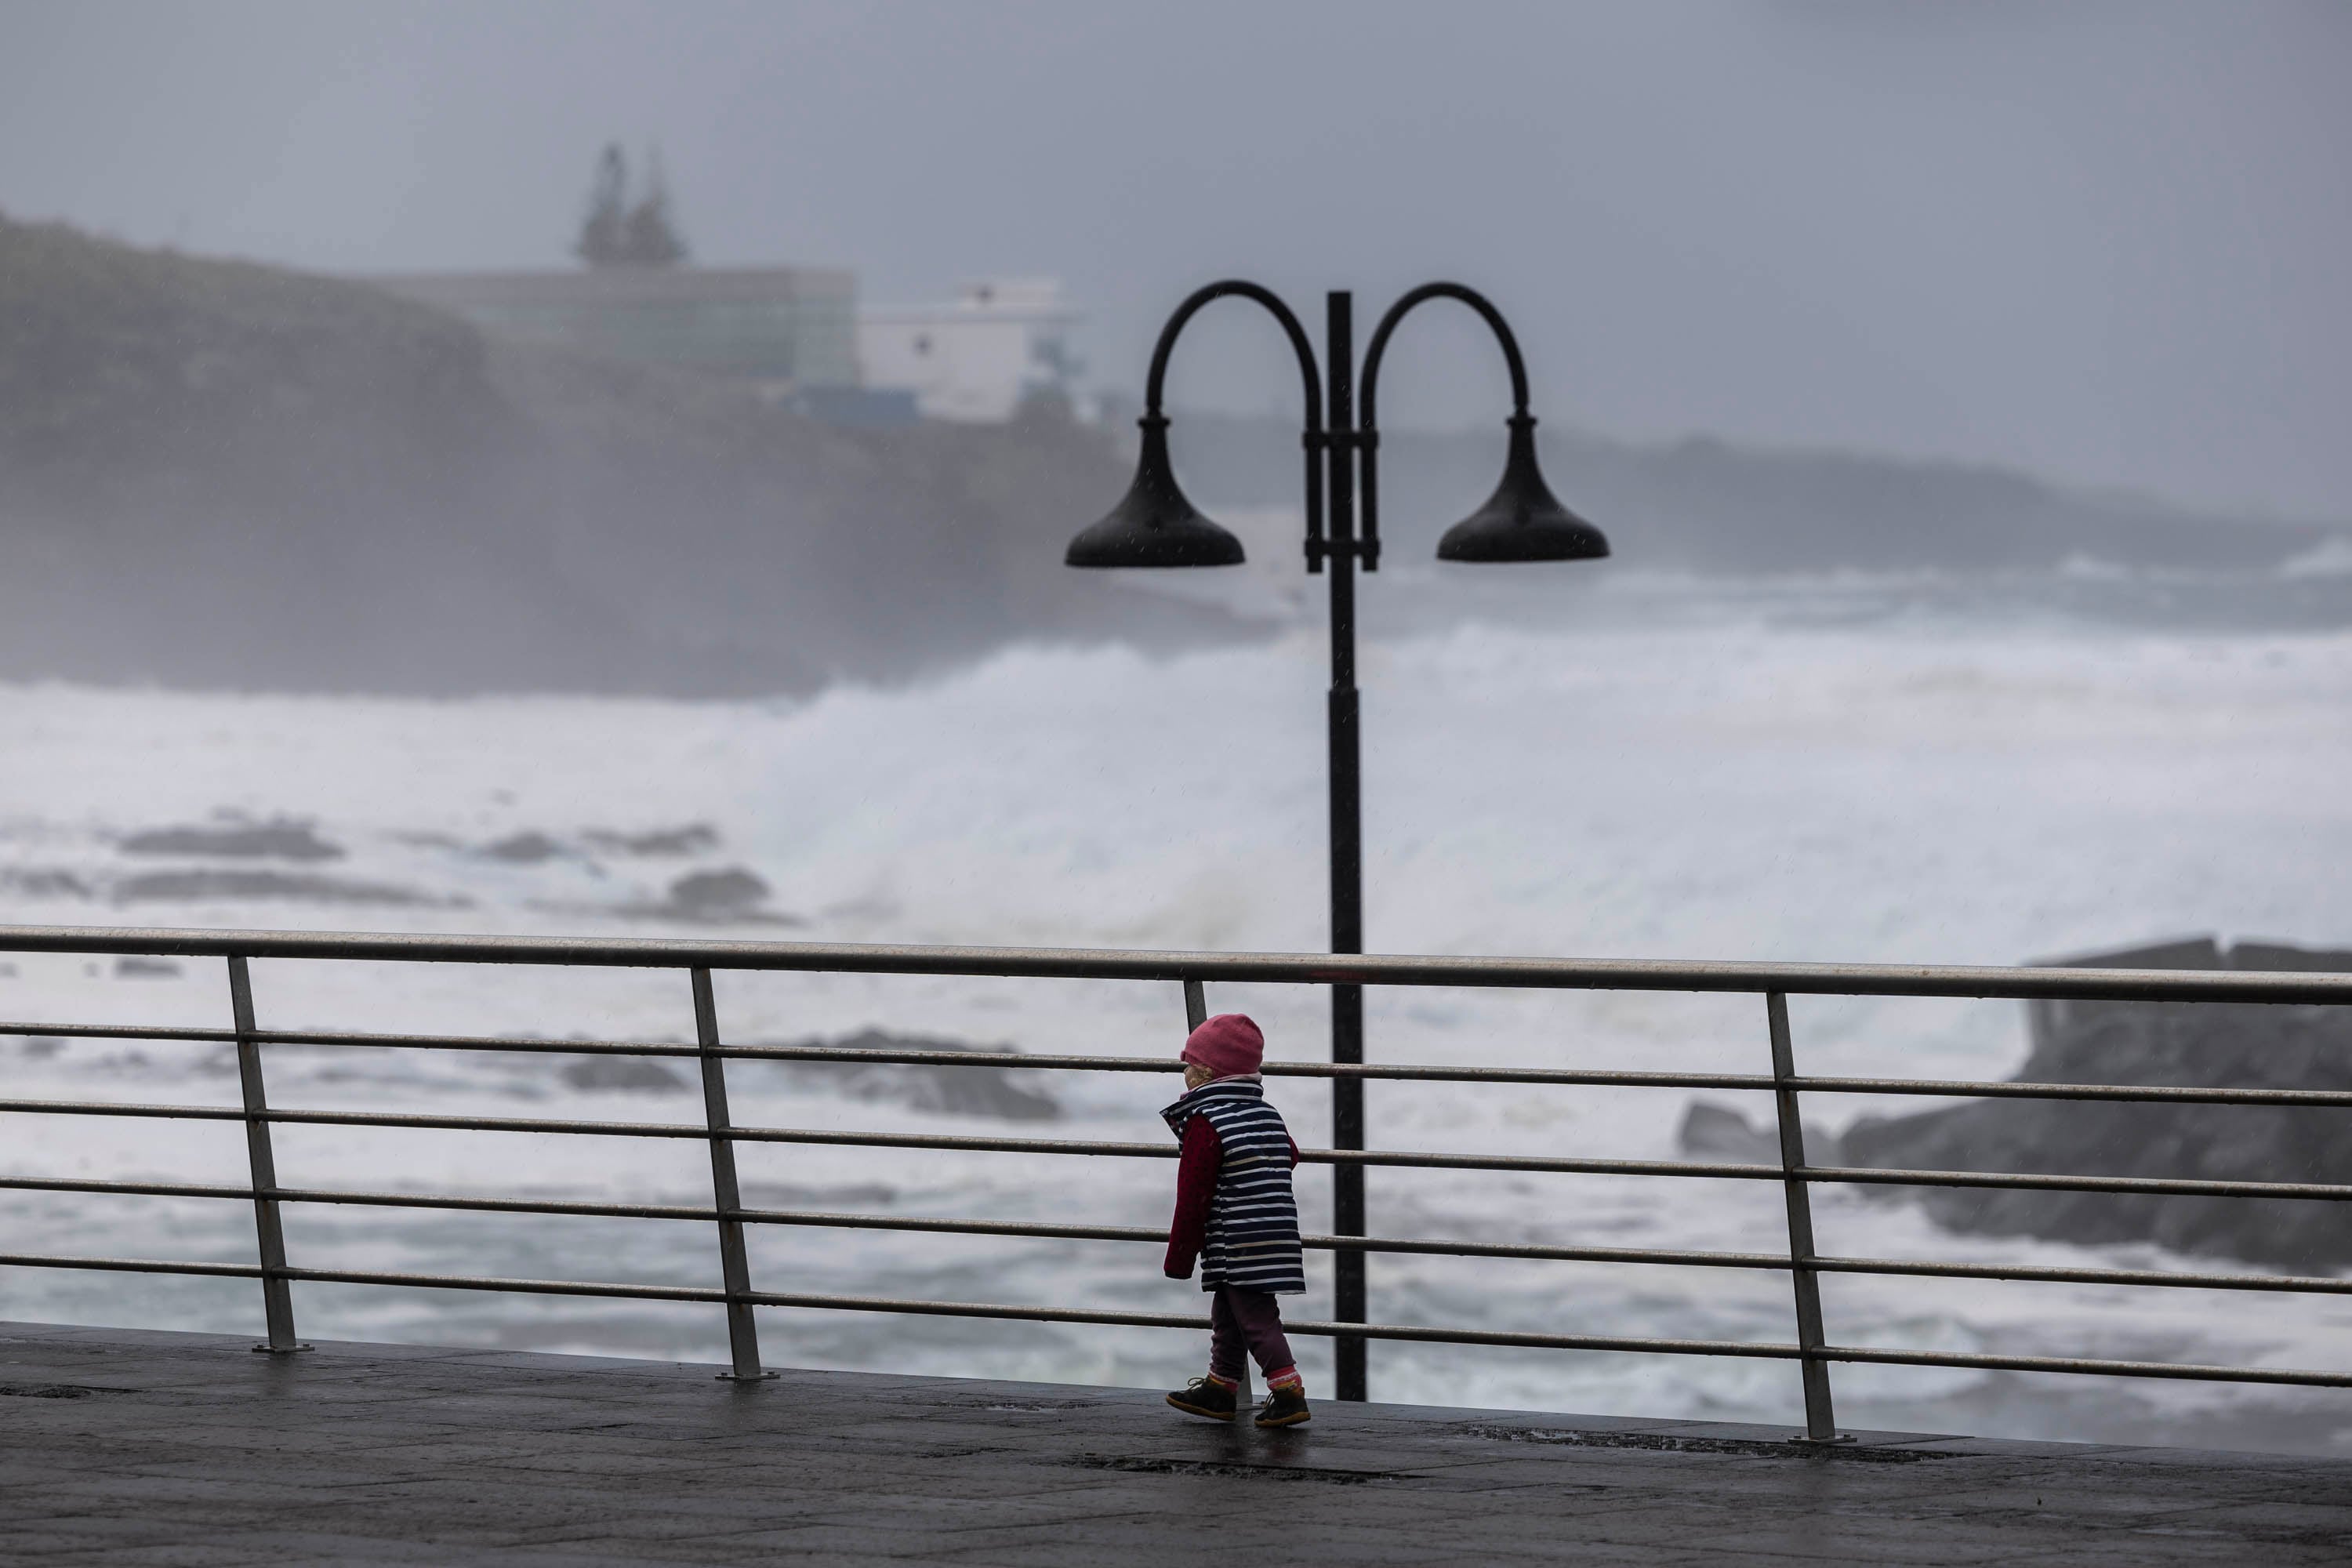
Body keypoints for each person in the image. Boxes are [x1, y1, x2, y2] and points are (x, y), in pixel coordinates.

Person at [1160, 1011, 1310, 1428]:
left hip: (1234, 1236)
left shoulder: (1206, 1123)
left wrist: (1179, 1258)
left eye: (1189, 1066)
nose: (1185, 1074)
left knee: (1257, 1317)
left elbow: (1193, 1194)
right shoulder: (1267, 1114)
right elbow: (1289, 1156)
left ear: (1207, 1073)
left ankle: (1287, 1391)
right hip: (1273, 1230)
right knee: (1229, 1310)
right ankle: (1220, 1386)